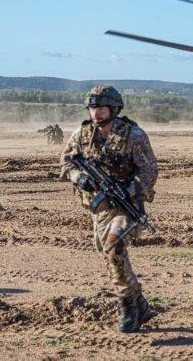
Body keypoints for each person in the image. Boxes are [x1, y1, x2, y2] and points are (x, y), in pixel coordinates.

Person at [60, 85, 158, 333]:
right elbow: (66, 162)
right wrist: (79, 178)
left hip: (126, 205)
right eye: (93, 107)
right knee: (112, 257)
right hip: (100, 208)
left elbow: (149, 172)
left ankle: (127, 308)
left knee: (114, 248)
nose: (96, 112)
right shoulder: (81, 135)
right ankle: (141, 304)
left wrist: (129, 191)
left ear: (114, 109)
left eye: (102, 107)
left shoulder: (133, 135)